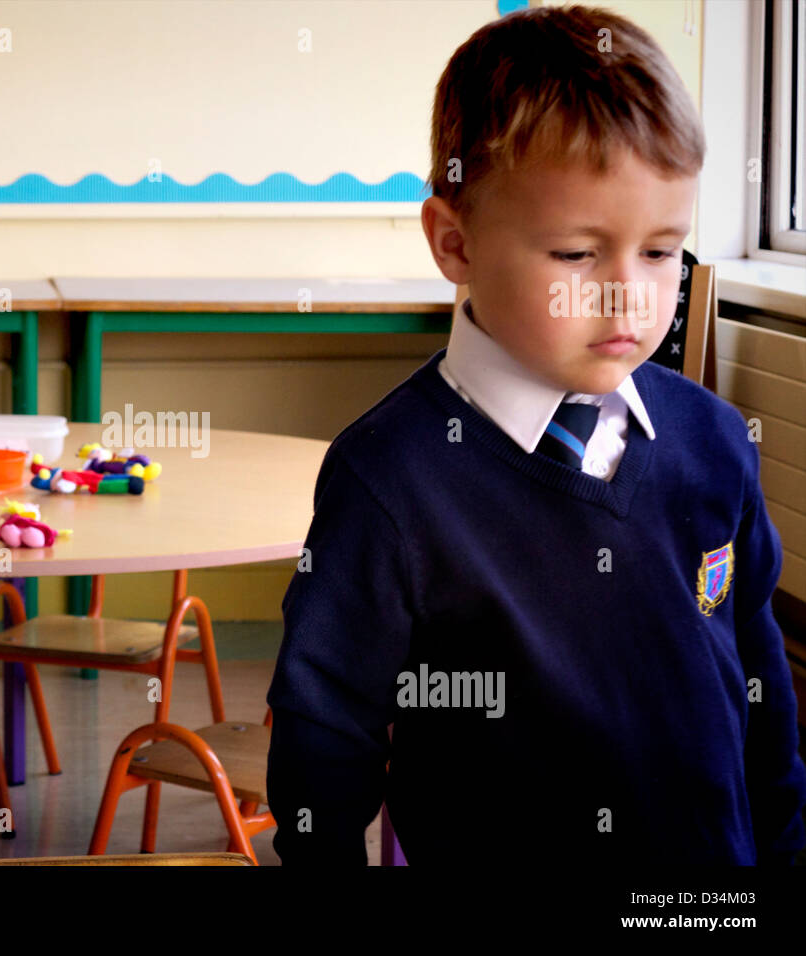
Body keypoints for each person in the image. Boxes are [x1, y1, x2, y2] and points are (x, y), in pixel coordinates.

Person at [266, 4, 806, 865]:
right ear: (455, 241)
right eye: (576, 255)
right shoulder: (389, 479)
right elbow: (322, 740)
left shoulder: (711, 440)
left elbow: (760, 683)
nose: (630, 296)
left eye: (663, 251)